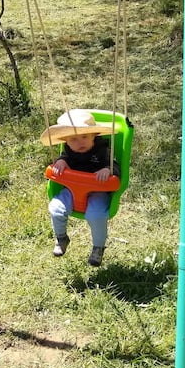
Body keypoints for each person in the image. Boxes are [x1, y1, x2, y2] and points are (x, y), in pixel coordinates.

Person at [40, 109, 119, 267]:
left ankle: (98, 247)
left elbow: (115, 167)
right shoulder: (69, 151)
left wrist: (108, 170)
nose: (80, 142)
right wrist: (60, 162)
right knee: (55, 208)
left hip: (98, 191)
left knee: (96, 215)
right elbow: (63, 158)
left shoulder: (103, 150)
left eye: (84, 137)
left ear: (94, 135)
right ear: (66, 141)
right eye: (73, 139)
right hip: (71, 190)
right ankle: (61, 238)